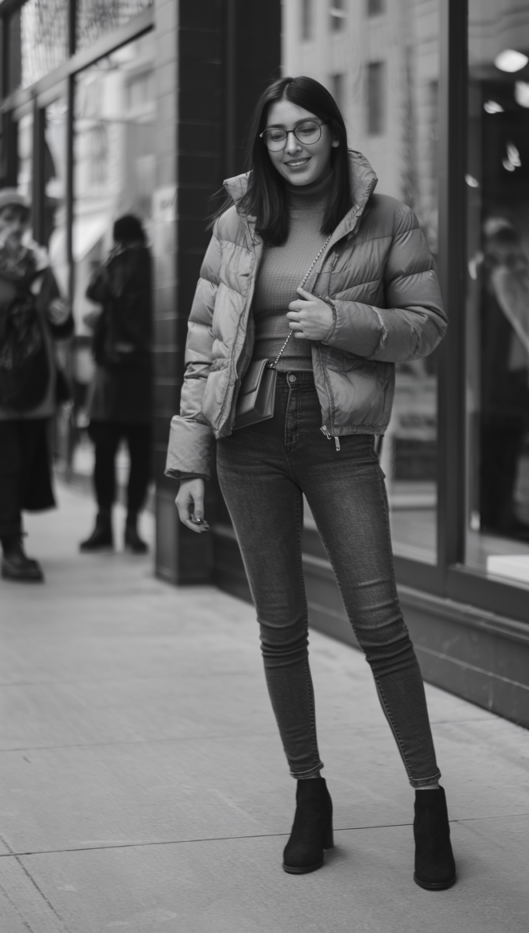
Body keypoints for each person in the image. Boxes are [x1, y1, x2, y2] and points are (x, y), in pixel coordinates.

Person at [165, 77, 454, 889]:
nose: (291, 145)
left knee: (379, 623)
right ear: (264, 142)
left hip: (337, 438)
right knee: (280, 628)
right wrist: (188, 462)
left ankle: (428, 801)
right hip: (246, 441)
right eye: (277, 133)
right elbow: (203, 349)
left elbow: (427, 326)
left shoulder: (386, 217)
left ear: (332, 131)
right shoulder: (236, 223)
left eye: (306, 129)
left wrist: (342, 323)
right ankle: (310, 794)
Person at [0, 188, 72, 582]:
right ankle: (12, 547)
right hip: (3, 387)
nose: (13, 227)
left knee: (23, 465)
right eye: (6, 218)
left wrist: (61, 316)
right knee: (8, 466)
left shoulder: (42, 266)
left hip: (36, 384)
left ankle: (12, 539)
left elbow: (61, 322)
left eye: (19, 219)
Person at [80, 214, 152, 554]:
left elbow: (92, 291)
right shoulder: (154, 263)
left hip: (110, 377)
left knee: (103, 456)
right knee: (140, 457)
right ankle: (132, 527)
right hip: (144, 374)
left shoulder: (115, 262)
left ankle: (103, 524)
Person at [478, 219, 529, 539]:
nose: (506, 250)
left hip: (515, 380)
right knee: (492, 453)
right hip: (491, 383)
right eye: (499, 243)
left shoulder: (521, 280)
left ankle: (504, 512)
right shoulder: (485, 281)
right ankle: (492, 514)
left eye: (510, 242)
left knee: (509, 451)